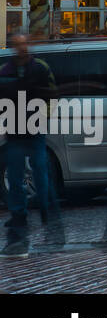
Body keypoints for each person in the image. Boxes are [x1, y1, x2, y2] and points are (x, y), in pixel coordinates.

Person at [0, 30, 64, 257]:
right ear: (12, 47)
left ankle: (46, 209)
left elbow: (52, 95)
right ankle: (21, 214)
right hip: (15, 132)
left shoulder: (39, 68)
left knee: (39, 171)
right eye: (18, 44)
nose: (22, 48)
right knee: (17, 176)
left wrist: (42, 116)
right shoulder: (6, 71)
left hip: (33, 128)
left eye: (24, 44)